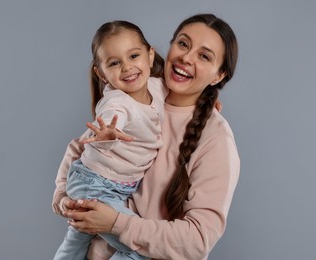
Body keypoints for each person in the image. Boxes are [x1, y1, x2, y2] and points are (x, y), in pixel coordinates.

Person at [53, 13, 240, 260]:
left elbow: (197, 240)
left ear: (219, 76)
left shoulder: (216, 139)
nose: (186, 57)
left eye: (204, 56)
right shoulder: (139, 93)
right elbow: (83, 147)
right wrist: (63, 197)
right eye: (183, 44)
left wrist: (116, 223)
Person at [53, 20, 167, 260]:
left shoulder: (157, 87)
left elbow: (185, 96)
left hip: (107, 186)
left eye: (133, 56)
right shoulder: (117, 102)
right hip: (97, 187)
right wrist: (106, 131)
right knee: (139, 248)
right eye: (114, 63)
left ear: (150, 56)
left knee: (75, 242)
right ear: (101, 73)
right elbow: (113, 114)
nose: (127, 67)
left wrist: (209, 106)